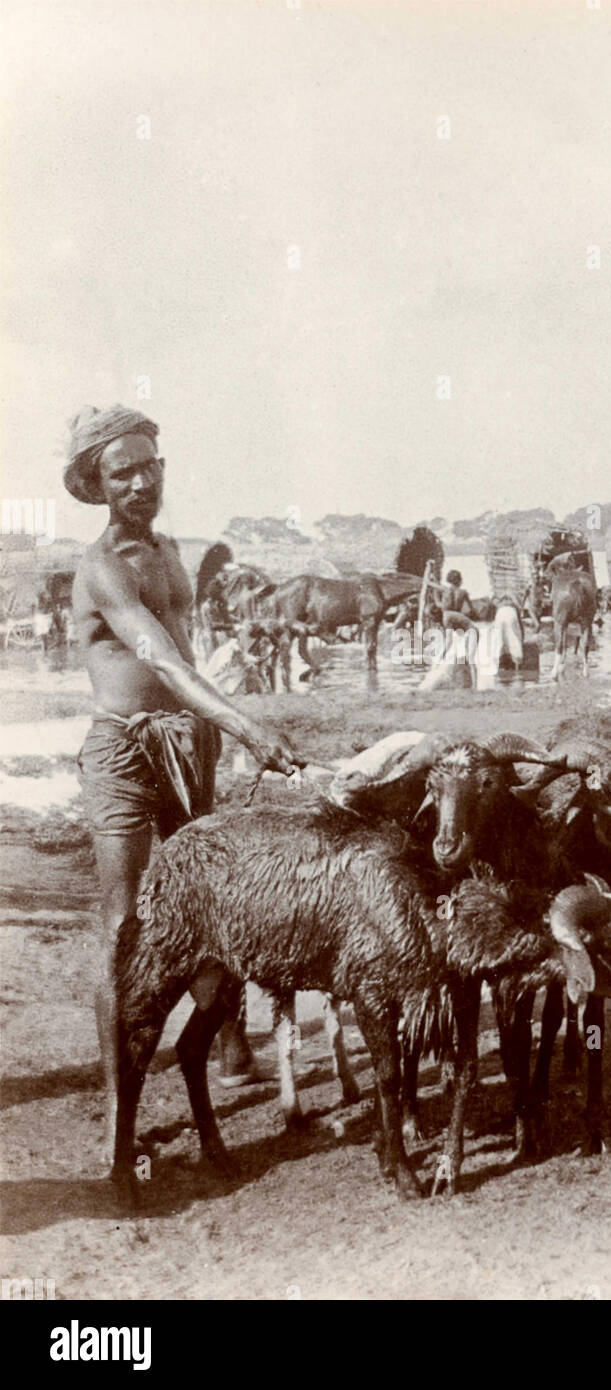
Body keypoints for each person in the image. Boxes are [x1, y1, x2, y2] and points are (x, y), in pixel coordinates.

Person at [66, 405, 302, 1134]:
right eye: (120, 473)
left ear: (162, 468)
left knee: (219, 896)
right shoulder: (102, 566)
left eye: (147, 466)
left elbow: (189, 654)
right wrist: (248, 723)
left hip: (189, 742)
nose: (138, 482)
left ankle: (229, 1044)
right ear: (98, 485)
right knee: (127, 920)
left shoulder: (170, 552)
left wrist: (213, 732)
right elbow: (161, 659)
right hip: (125, 751)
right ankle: (119, 1098)